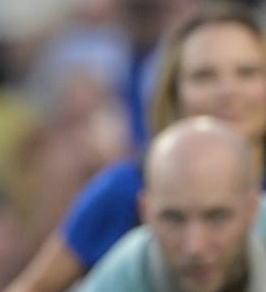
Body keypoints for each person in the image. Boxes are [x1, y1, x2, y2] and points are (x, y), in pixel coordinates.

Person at [6, 0, 266, 291]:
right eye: (203, 76)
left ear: (250, 208)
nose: (228, 91)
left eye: (247, 72)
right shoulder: (123, 191)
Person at [80, 116, 266, 291]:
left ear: (251, 209)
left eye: (217, 218)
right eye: (174, 219)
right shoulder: (128, 272)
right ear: (146, 212)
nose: (195, 247)